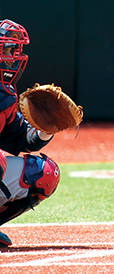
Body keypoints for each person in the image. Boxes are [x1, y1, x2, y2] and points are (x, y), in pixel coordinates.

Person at [0, 20, 61, 247]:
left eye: (12, 50)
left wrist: (46, 128)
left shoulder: (5, 94)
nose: (11, 57)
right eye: (4, 50)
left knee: (45, 173)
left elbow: (20, 137)